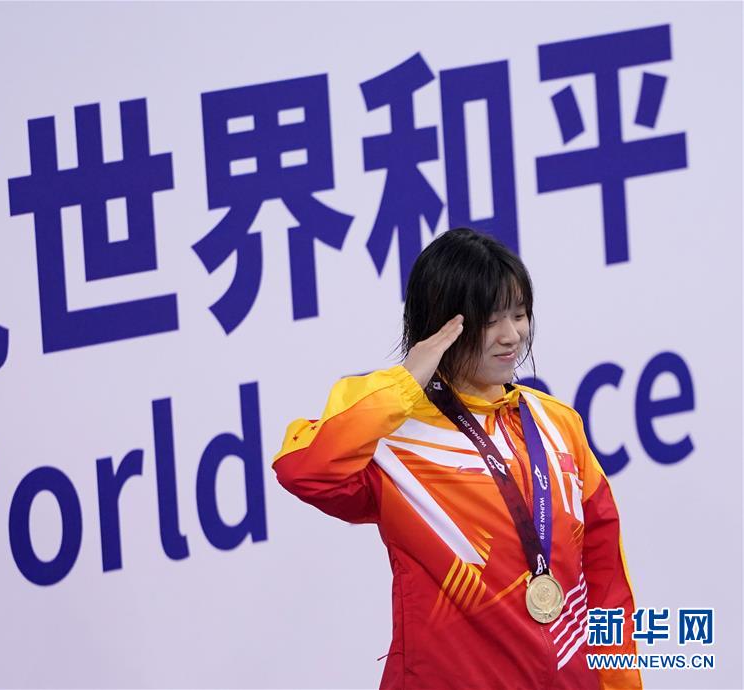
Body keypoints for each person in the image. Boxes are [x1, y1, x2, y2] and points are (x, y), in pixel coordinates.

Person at [272, 228, 641, 689]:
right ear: (442, 326)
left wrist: (620, 683)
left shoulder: (557, 425)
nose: (512, 336)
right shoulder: (393, 438)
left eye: (519, 314)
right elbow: (306, 471)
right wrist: (405, 382)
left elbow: (607, 581)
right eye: (490, 321)